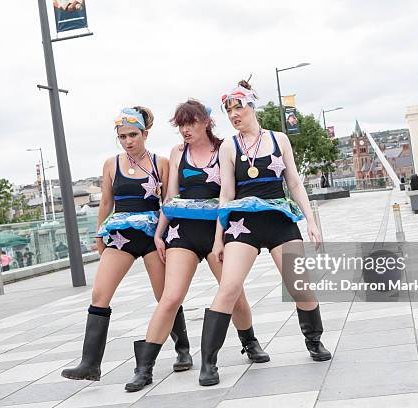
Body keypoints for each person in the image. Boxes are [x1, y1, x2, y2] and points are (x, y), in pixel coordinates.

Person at [125, 100, 269, 393]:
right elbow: (172, 196)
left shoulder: (225, 147)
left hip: (220, 231)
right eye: (180, 125)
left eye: (190, 123)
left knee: (232, 293)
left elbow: (231, 192)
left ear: (206, 122)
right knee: (171, 296)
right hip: (183, 231)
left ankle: (249, 342)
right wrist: (160, 233)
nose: (185, 130)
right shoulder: (178, 152)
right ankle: (144, 368)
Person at [196, 80, 332, 386]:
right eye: (228, 111)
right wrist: (219, 236)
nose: (234, 115)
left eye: (238, 107)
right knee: (229, 287)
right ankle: (209, 360)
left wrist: (311, 222)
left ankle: (314, 340)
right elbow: (226, 193)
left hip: (279, 220)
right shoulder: (229, 146)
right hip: (242, 224)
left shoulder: (279, 139)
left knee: (300, 285)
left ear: (252, 107)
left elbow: (294, 183)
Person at [61, 106, 192, 382]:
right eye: (122, 136)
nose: (128, 141)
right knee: (99, 295)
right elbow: (106, 202)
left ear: (145, 133)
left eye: (133, 134)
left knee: (164, 297)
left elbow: (169, 203)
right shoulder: (112, 164)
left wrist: (168, 237)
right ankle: (90, 363)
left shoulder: (161, 163)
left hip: (152, 235)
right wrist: (99, 235)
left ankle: (183, 350)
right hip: (120, 235)